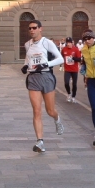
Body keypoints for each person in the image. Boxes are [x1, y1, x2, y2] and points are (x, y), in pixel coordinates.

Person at [21, 20, 64, 153]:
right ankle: (40, 141)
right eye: (30, 28)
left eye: (34, 28)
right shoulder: (27, 44)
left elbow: (60, 59)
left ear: (40, 29)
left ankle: (57, 119)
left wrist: (46, 64)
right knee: (36, 110)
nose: (32, 30)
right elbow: (29, 59)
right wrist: (25, 65)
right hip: (33, 78)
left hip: (46, 77)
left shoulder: (46, 42)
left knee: (50, 111)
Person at [61, 37, 81, 103]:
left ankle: (73, 96)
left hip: (74, 70)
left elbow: (79, 59)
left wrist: (74, 58)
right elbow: (61, 57)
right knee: (66, 83)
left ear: (72, 42)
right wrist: (61, 64)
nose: (68, 44)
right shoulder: (64, 49)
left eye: (69, 42)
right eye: (67, 42)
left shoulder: (76, 49)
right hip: (67, 69)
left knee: (74, 84)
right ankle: (69, 94)